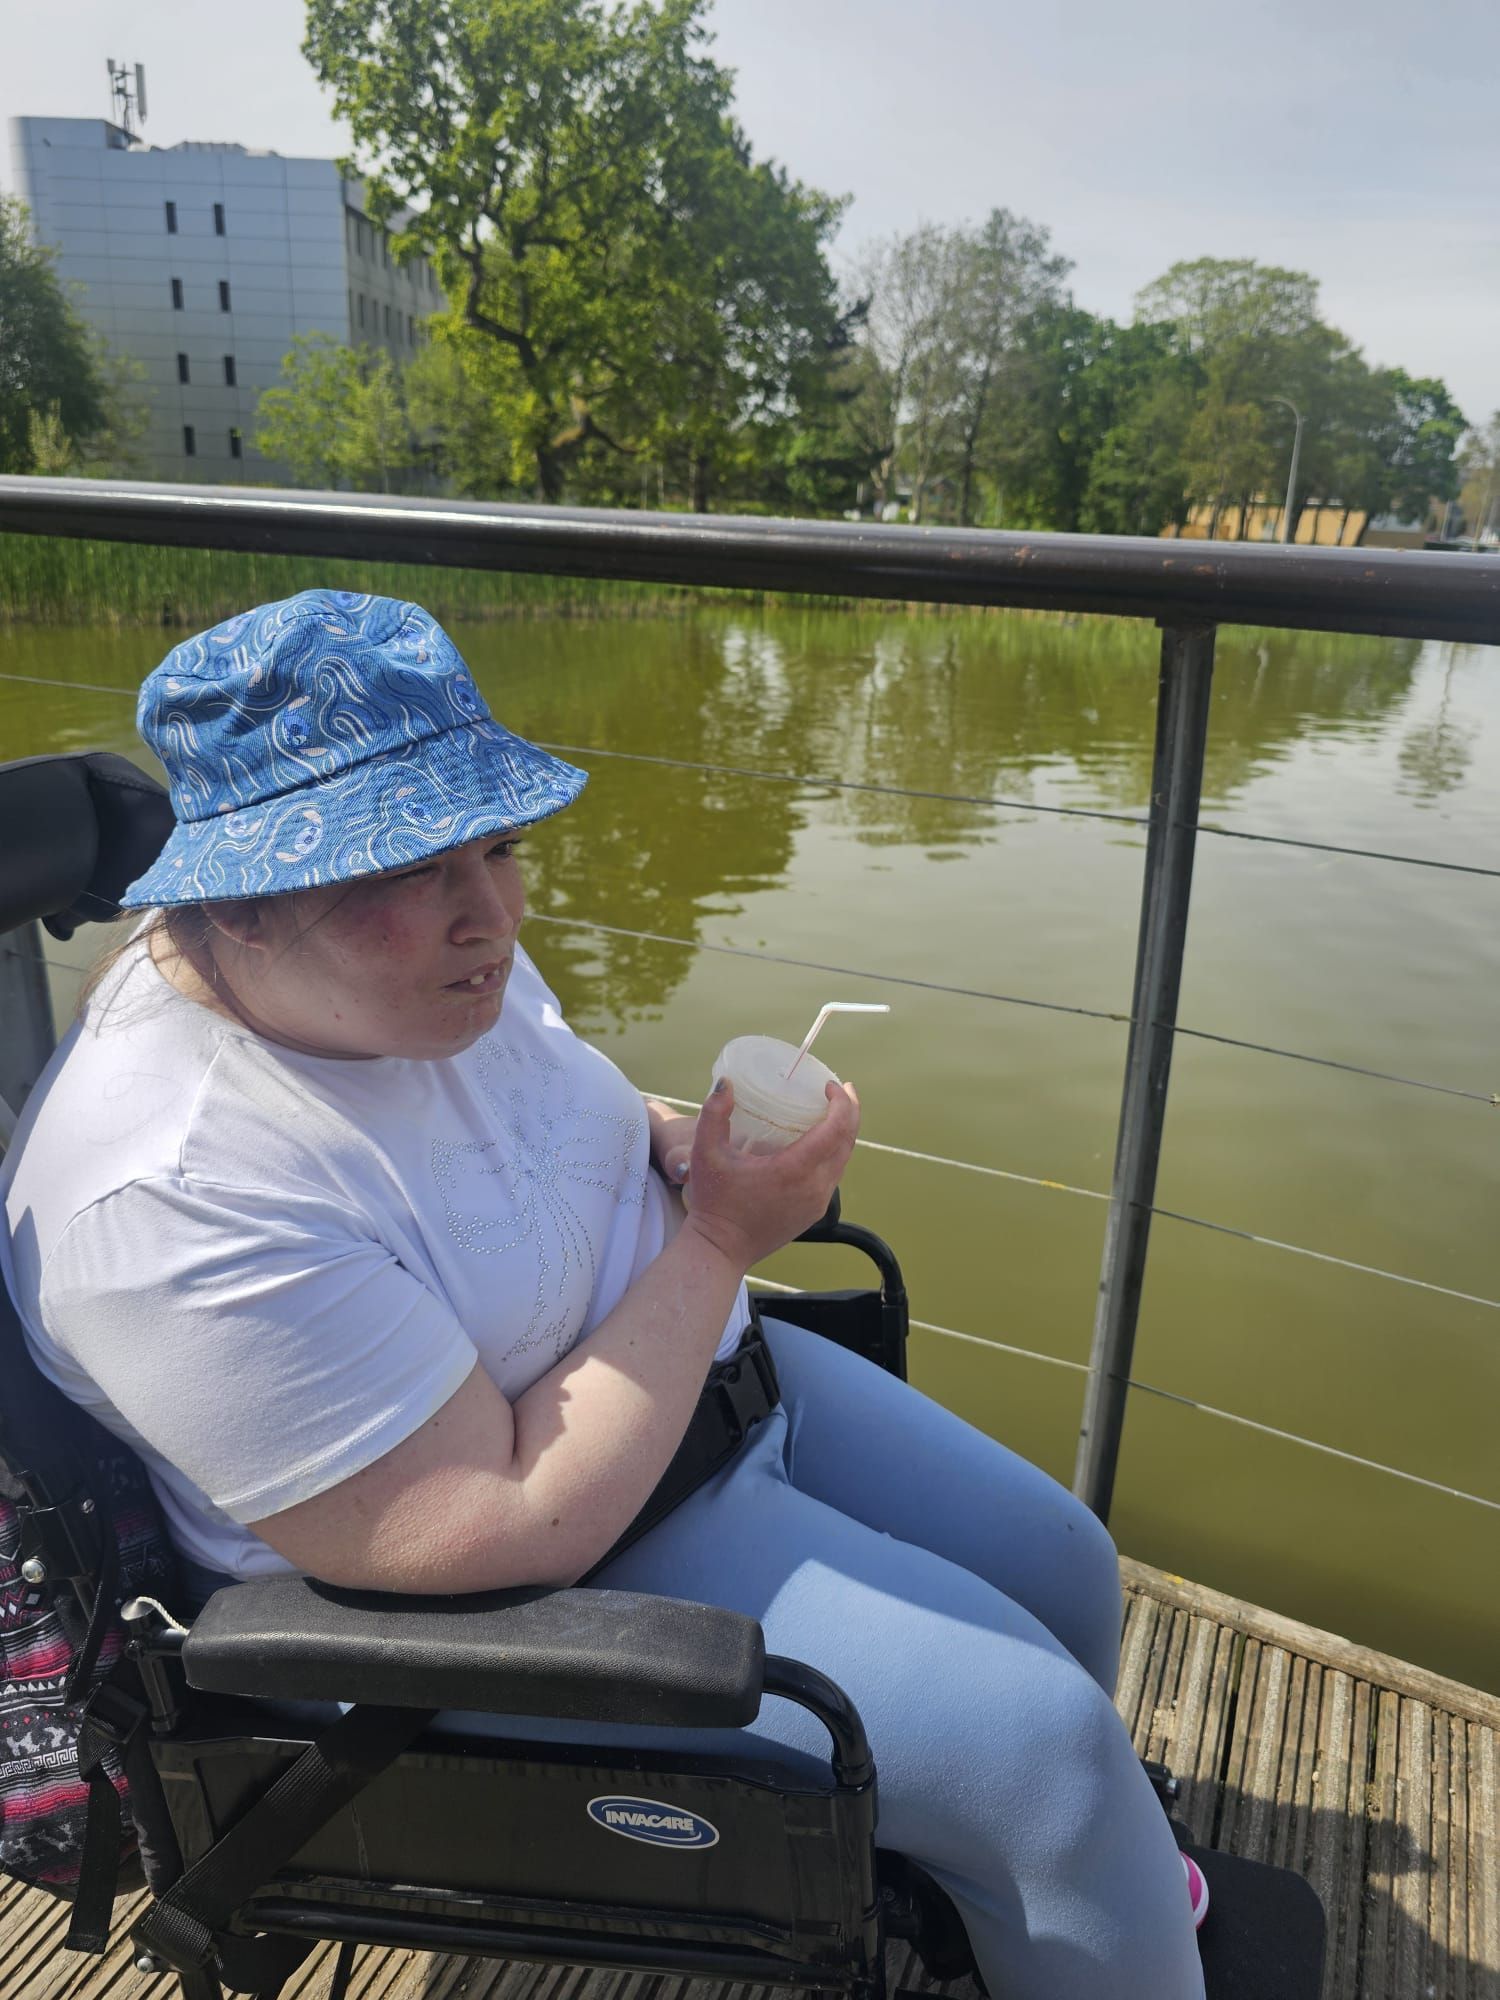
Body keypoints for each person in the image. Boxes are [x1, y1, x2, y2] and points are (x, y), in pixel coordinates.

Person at [1, 590, 1205, 2000]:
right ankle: (1067, 1865)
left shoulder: (400, 966)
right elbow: (493, 1520)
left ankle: (1059, 1897)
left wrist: (669, 1140)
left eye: (500, 844)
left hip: (692, 1397)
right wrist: (719, 1242)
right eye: (412, 868)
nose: (498, 911)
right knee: (1048, 1758)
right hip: (514, 1573)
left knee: (1066, 1564)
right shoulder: (168, 1193)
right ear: (235, 906)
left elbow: (527, 1098)